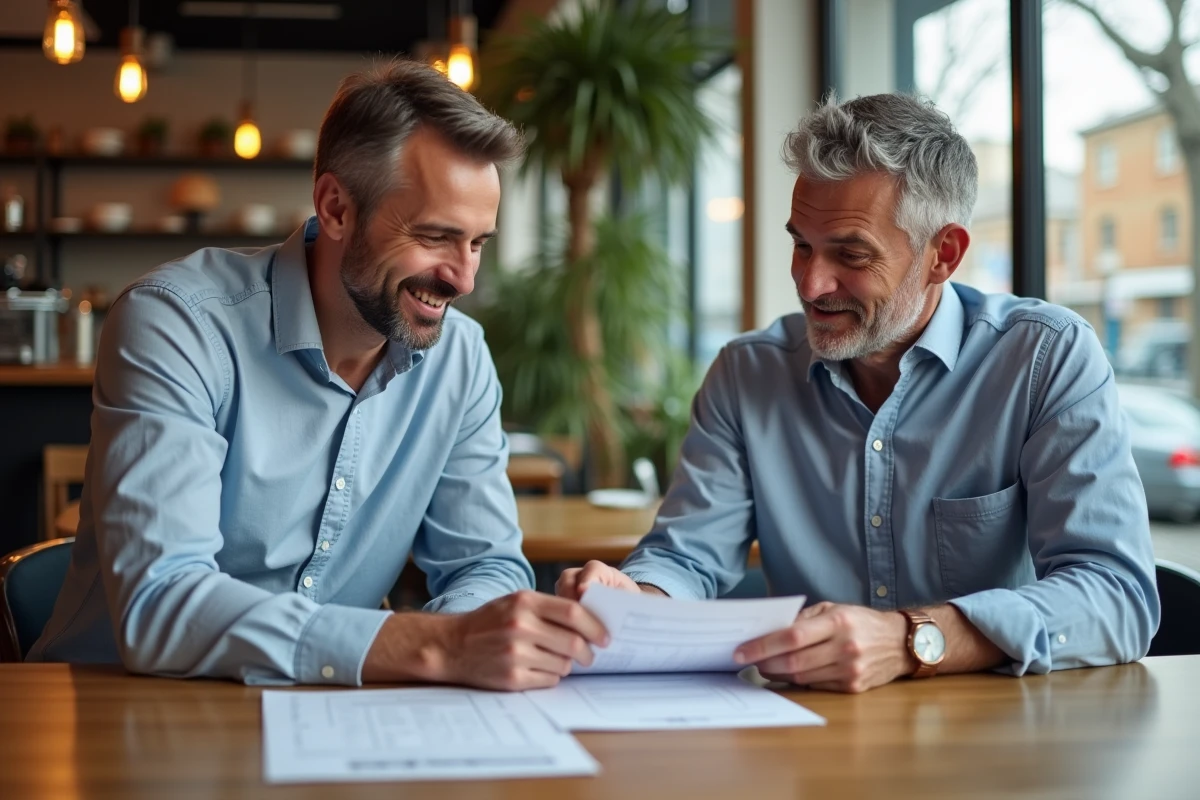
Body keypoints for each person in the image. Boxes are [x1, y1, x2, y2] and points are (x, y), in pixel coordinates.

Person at [29, 60, 607, 689]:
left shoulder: (460, 359)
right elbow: (159, 604)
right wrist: (437, 646)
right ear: (336, 208)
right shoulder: (179, 325)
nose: (463, 279)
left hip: (328, 717)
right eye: (436, 236)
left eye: (478, 243)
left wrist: (474, 636)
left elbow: (486, 565)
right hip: (117, 713)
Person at [557, 93, 1159, 692]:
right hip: (812, 743)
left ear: (941, 255)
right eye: (801, 245)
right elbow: (688, 558)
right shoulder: (747, 375)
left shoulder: (1044, 359)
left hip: (993, 747)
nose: (811, 283)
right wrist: (636, 599)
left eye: (850, 253)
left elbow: (1117, 595)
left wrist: (912, 640)